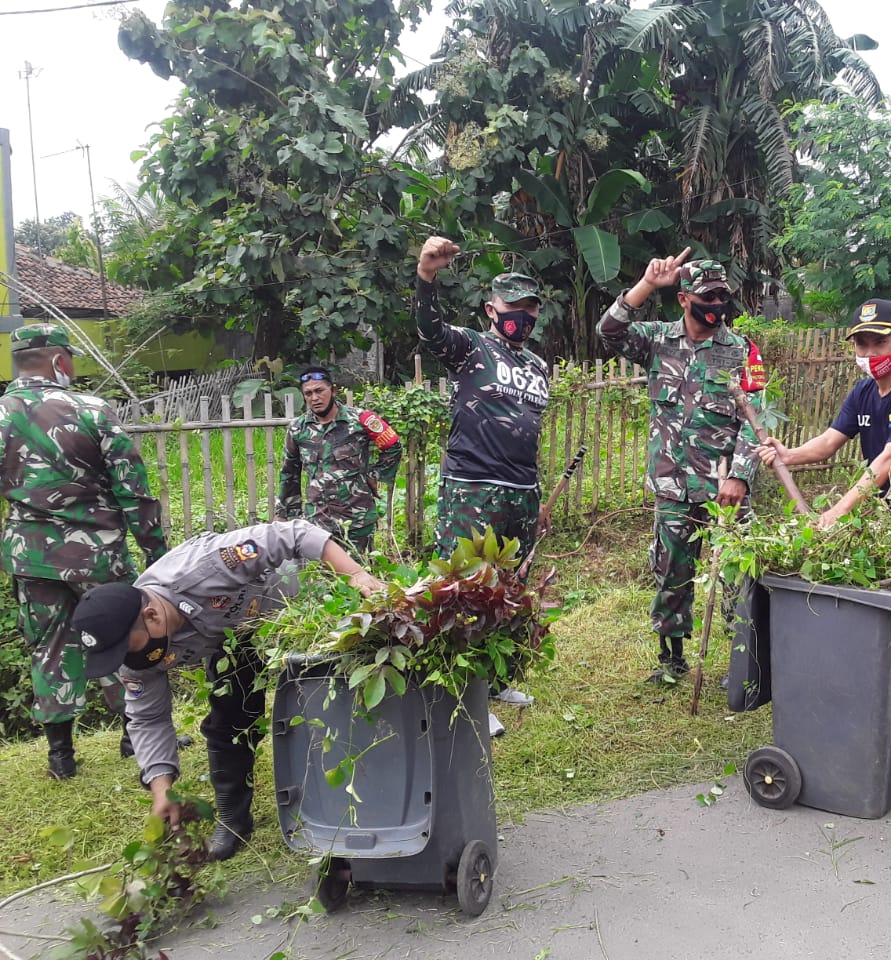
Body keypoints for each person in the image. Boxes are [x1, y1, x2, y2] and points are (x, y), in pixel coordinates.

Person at [70, 519, 384, 861]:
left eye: (127, 649)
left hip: (298, 607)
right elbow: (147, 719)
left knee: (329, 697)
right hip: (232, 637)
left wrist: (355, 575)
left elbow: (295, 534)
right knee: (230, 717)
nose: (127, 662)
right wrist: (162, 790)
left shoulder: (205, 567)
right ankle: (233, 819)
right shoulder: (133, 655)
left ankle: (360, 795)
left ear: (152, 616)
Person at [757, 299, 891, 774]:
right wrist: (787, 455)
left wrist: (835, 513)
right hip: (890, 525)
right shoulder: (864, 392)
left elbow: (888, 461)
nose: (870, 352)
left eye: (879, 342)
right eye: (862, 343)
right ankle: (890, 712)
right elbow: (830, 442)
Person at [0, 323, 168, 779]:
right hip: (97, 554)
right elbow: (133, 490)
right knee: (123, 633)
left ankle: (61, 756)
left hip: (30, 555)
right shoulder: (91, 410)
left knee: (48, 644)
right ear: (59, 361)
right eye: (70, 360)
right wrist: (157, 552)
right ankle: (135, 737)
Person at [596, 249, 761, 682]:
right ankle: (671, 659)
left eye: (722, 297)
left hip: (725, 489)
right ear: (685, 299)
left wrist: (741, 476)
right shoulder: (657, 340)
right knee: (671, 571)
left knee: (737, 574)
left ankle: (741, 664)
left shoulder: (741, 351)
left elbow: (757, 421)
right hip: (672, 485)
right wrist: (647, 285)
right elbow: (609, 330)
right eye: (707, 297)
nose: (716, 305)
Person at [414, 237, 549, 735]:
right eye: (513, 307)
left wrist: (536, 495)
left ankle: (496, 679)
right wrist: (427, 275)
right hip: (472, 487)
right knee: (464, 589)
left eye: (529, 308)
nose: (522, 316)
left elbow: (530, 433)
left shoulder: (537, 365)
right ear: (492, 310)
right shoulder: (471, 347)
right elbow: (429, 331)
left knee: (510, 589)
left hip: (520, 491)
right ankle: (461, 691)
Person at [277, 365, 402, 555]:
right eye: (308, 393)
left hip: (357, 519)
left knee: (360, 571)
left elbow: (393, 446)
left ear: (333, 391)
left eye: (319, 391)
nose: (315, 398)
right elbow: (289, 473)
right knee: (321, 572)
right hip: (317, 522)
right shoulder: (297, 429)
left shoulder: (361, 420)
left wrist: (374, 475)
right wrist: (285, 514)